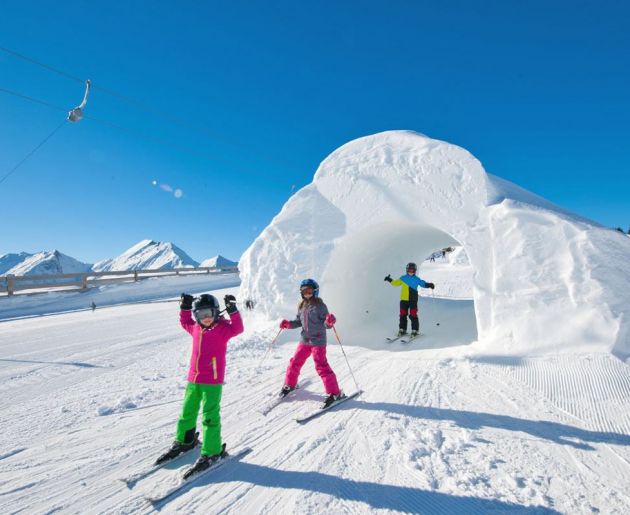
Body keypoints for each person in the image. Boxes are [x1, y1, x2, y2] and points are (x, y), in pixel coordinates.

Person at [155, 292, 243, 479]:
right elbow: (184, 321)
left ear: (216, 312)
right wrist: (185, 307)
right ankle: (185, 440)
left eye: (209, 313)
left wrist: (233, 310)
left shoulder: (223, 329)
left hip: (212, 381)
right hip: (193, 380)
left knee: (210, 416)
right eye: (201, 315)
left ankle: (213, 450)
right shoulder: (195, 327)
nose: (206, 318)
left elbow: (238, 328)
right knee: (187, 411)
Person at [278, 278, 343, 408]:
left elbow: (326, 323)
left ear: (315, 291)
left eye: (309, 291)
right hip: (305, 340)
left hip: (318, 340)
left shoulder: (320, 306)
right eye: (304, 291)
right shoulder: (301, 305)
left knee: (321, 365)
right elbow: (298, 322)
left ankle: (335, 393)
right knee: (295, 362)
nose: (306, 293)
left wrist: (329, 322)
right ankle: (290, 384)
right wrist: (288, 324)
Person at [384, 262, 435, 337]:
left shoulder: (417, 279)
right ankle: (402, 329)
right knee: (402, 314)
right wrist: (389, 279)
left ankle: (415, 330)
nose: (411, 272)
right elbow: (395, 283)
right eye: (409, 270)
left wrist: (429, 285)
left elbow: (422, 284)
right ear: (407, 270)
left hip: (413, 300)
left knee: (413, 314)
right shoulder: (403, 278)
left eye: (412, 270)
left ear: (415, 271)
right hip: (403, 300)